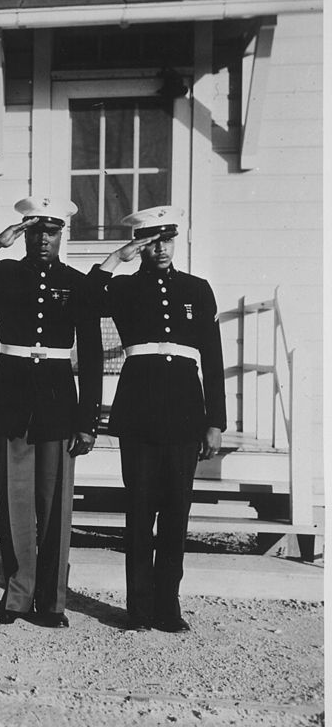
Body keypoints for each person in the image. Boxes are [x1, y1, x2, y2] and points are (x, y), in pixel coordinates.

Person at [0, 197, 103, 629]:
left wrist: (88, 420)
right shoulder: (3, 273)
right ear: (25, 233)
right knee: (14, 503)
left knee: (55, 507)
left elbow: (91, 355)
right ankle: (17, 596)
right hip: (15, 394)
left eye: (52, 232)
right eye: (36, 231)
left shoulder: (76, 282)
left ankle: (52, 603)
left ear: (63, 235)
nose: (43, 240)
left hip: (60, 399)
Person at [88, 206, 225, 633]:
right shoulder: (125, 289)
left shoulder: (197, 290)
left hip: (185, 414)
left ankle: (169, 606)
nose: (160, 249)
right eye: (151, 241)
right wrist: (118, 257)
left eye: (166, 240)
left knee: (176, 514)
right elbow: (89, 298)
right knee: (140, 511)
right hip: (140, 414)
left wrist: (215, 420)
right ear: (141, 245)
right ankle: (140, 610)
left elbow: (214, 359)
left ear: (175, 242)